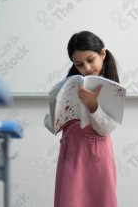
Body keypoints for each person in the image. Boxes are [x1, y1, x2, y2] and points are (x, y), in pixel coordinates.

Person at [46, 31, 120, 207]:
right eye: (79, 64)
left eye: (90, 60)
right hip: (72, 150)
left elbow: (107, 128)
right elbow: (52, 125)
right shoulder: (70, 84)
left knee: (99, 199)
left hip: (98, 153)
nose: (86, 68)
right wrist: (55, 116)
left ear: (102, 54)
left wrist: (93, 105)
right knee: (70, 199)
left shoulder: (111, 87)